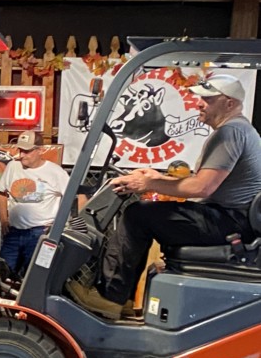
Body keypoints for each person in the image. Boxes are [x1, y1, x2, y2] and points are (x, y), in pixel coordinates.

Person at [69, 73, 261, 320]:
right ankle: (122, 300)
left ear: (229, 103)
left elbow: (202, 187)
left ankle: (109, 298)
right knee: (144, 214)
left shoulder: (231, 131)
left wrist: (149, 183)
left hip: (228, 222)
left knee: (138, 215)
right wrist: (154, 177)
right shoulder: (239, 130)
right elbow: (201, 182)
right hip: (230, 219)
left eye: (208, 99)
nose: (199, 104)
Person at [0, 131, 70, 276]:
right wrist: (4, 219)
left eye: (27, 151)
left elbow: (76, 196)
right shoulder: (12, 166)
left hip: (41, 233)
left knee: (34, 276)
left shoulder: (55, 172)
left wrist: (63, 224)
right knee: (3, 273)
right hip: (13, 232)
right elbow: (1, 192)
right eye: (20, 150)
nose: (21, 155)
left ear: (40, 150)